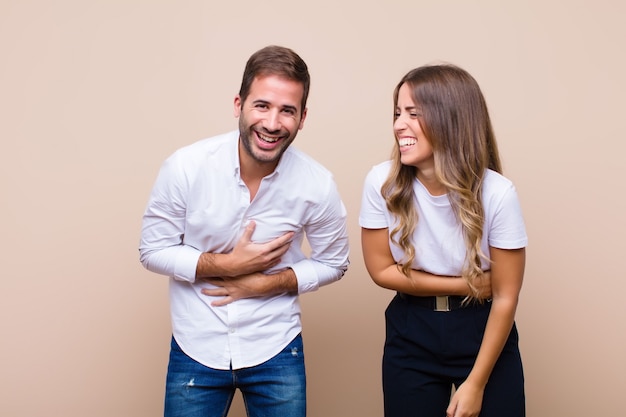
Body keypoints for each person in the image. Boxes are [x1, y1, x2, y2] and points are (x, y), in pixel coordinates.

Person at [139, 45, 350, 417]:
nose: (272, 123)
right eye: (262, 105)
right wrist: (228, 265)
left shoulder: (318, 185)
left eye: (287, 110)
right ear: (239, 104)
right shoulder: (186, 167)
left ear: (302, 118)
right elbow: (153, 250)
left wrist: (268, 283)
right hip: (195, 345)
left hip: (276, 346)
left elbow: (335, 263)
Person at [359, 64, 527, 417]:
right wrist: (466, 285)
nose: (398, 125)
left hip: (484, 331)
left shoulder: (498, 193)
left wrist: (476, 383)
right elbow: (379, 270)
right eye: (397, 113)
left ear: (450, 119)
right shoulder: (380, 182)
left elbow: (505, 295)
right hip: (411, 330)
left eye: (413, 114)